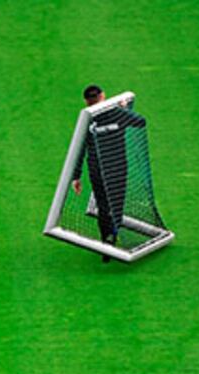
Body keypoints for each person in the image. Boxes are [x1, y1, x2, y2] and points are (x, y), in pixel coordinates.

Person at [71, 85, 147, 262]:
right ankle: (113, 233)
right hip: (118, 168)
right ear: (103, 96)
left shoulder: (87, 120)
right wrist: (123, 109)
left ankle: (106, 242)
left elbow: (80, 148)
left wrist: (76, 175)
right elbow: (141, 122)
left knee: (103, 207)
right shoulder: (117, 113)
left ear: (86, 101)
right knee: (117, 204)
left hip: (97, 170)